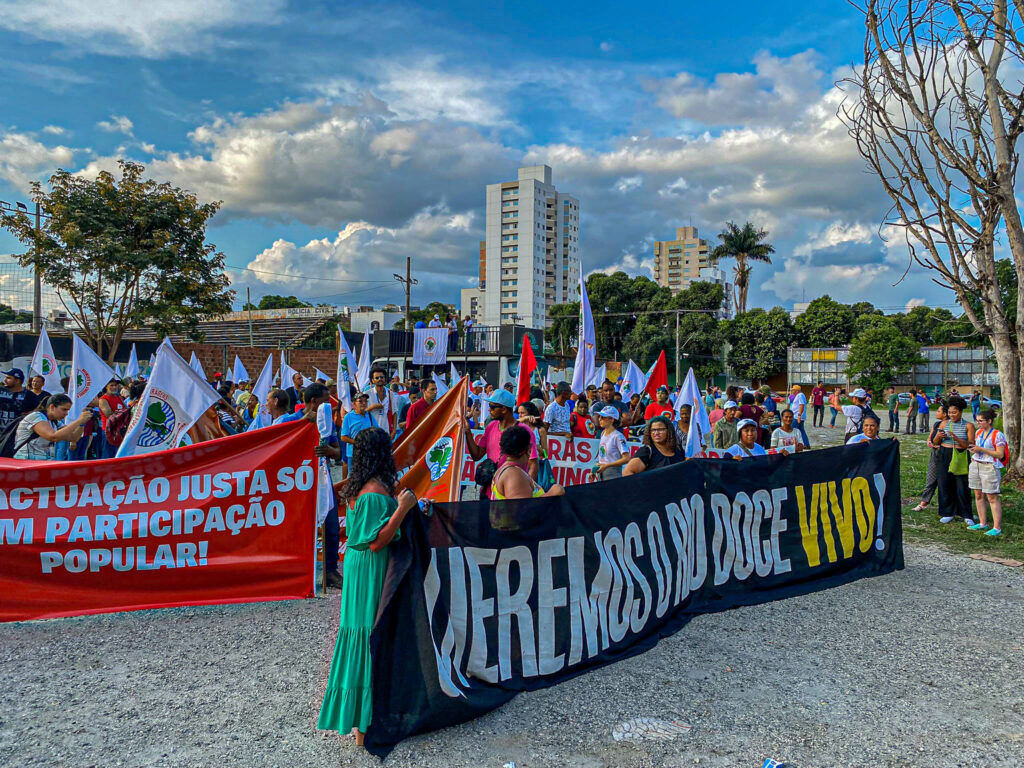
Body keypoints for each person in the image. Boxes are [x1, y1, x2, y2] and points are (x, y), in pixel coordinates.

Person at [318, 427, 418, 746]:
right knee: (369, 635)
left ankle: (362, 720)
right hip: (371, 565)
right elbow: (377, 542)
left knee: (361, 632)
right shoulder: (375, 492)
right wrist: (402, 509)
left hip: (358, 565)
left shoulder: (360, 485)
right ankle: (363, 727)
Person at [464, 389, 538, 483]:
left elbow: (533, 465)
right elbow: (477, 455)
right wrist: (467, 432)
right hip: (489, 492)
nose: (489, 409)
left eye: (492, 407)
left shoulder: (524, 431)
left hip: (512, 492)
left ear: (503, 409)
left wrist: (525, 490)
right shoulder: (490, 427)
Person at [491, 425, 564, 499]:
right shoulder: (514, 475)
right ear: (529, 449)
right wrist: (552, 493)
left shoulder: (509, 469)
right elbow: (521, 508)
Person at [935, 395, 975, 525]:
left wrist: (956, 438)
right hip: (944, 454)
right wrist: (939, 436)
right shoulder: (944, 423)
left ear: (961, 412)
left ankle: (966, 514)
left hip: (960, 454)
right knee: (944, 483)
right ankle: (947, 512)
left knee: (962, 485)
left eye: (954, 412)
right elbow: (935, 442)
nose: (952, 415)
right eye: (949, 412)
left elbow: (970, 444)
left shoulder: (968, 425)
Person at [14, 394, 93, 460]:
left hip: (41, 462)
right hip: (25, 461)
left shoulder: (55, 422)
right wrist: (79, 421)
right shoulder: (36, 417)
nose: (66, 413)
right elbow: (53, 436)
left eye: (68, 410)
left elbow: (73, 437)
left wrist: (83, 423)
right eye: (64, 410)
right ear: (52, 407)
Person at [967, 408, 1006, 536]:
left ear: (989, 421)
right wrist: (974, 450)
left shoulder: (997, 435)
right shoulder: (978, 433)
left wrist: (981, 449)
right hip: (976, 464)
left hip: (990, 467)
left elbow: (1000, 454)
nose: (978, 423)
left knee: (992, 497)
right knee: (978, 495)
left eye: (981, 421)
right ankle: (983, 523)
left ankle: (997, 527)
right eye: (977, 421)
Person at [913, 403, 947, 512]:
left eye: (938, 411)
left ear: (945, 414)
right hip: (935, 454)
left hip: (945, 454)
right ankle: (924, 502)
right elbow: (930, 437)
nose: (937, 413)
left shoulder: (950, 425)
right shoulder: (936, 424)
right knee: (931, 478)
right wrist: (929, 442)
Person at [340, 392, 375, 470]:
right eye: (360, 401)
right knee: (353, 477)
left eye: (365, 401)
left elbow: (376, 430)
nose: (364, 403)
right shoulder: (348, 417)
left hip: (368, 452)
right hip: (354, 454)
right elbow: (343, 437)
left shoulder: (369, 415)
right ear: (354, 403)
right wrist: (357, 442)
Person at [595, 405, 630, 480]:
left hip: (613, 475)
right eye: (599, 416)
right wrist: (594, 470)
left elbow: (626, 458)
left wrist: (607, 465)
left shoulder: (618, 436)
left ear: (612, 419)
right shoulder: (603, 433)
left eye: (603, 417)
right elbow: (603, 456)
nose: (600, 419)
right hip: (601, 474)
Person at [97, 378, 127, 459]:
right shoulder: (103, 399)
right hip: (109, 431)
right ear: (106, 387)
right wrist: (124, 415)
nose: (114, 387)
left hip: (120, 431)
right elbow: (109, 415)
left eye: (116, 385)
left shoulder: (119, 397)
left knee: (118, 455)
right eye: (111, 385)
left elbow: (126, 411)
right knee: (108, 456)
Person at [366, 367, 398, 439]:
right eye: (377, 378)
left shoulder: (390, 394)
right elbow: (362, 413)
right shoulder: (367, 394)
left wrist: (394, 430)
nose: (380, 379)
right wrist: (373, 407)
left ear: (385, 379)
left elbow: (394, 413)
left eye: (382, 377)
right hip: (371, 433)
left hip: (386, 432)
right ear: (372, 380)